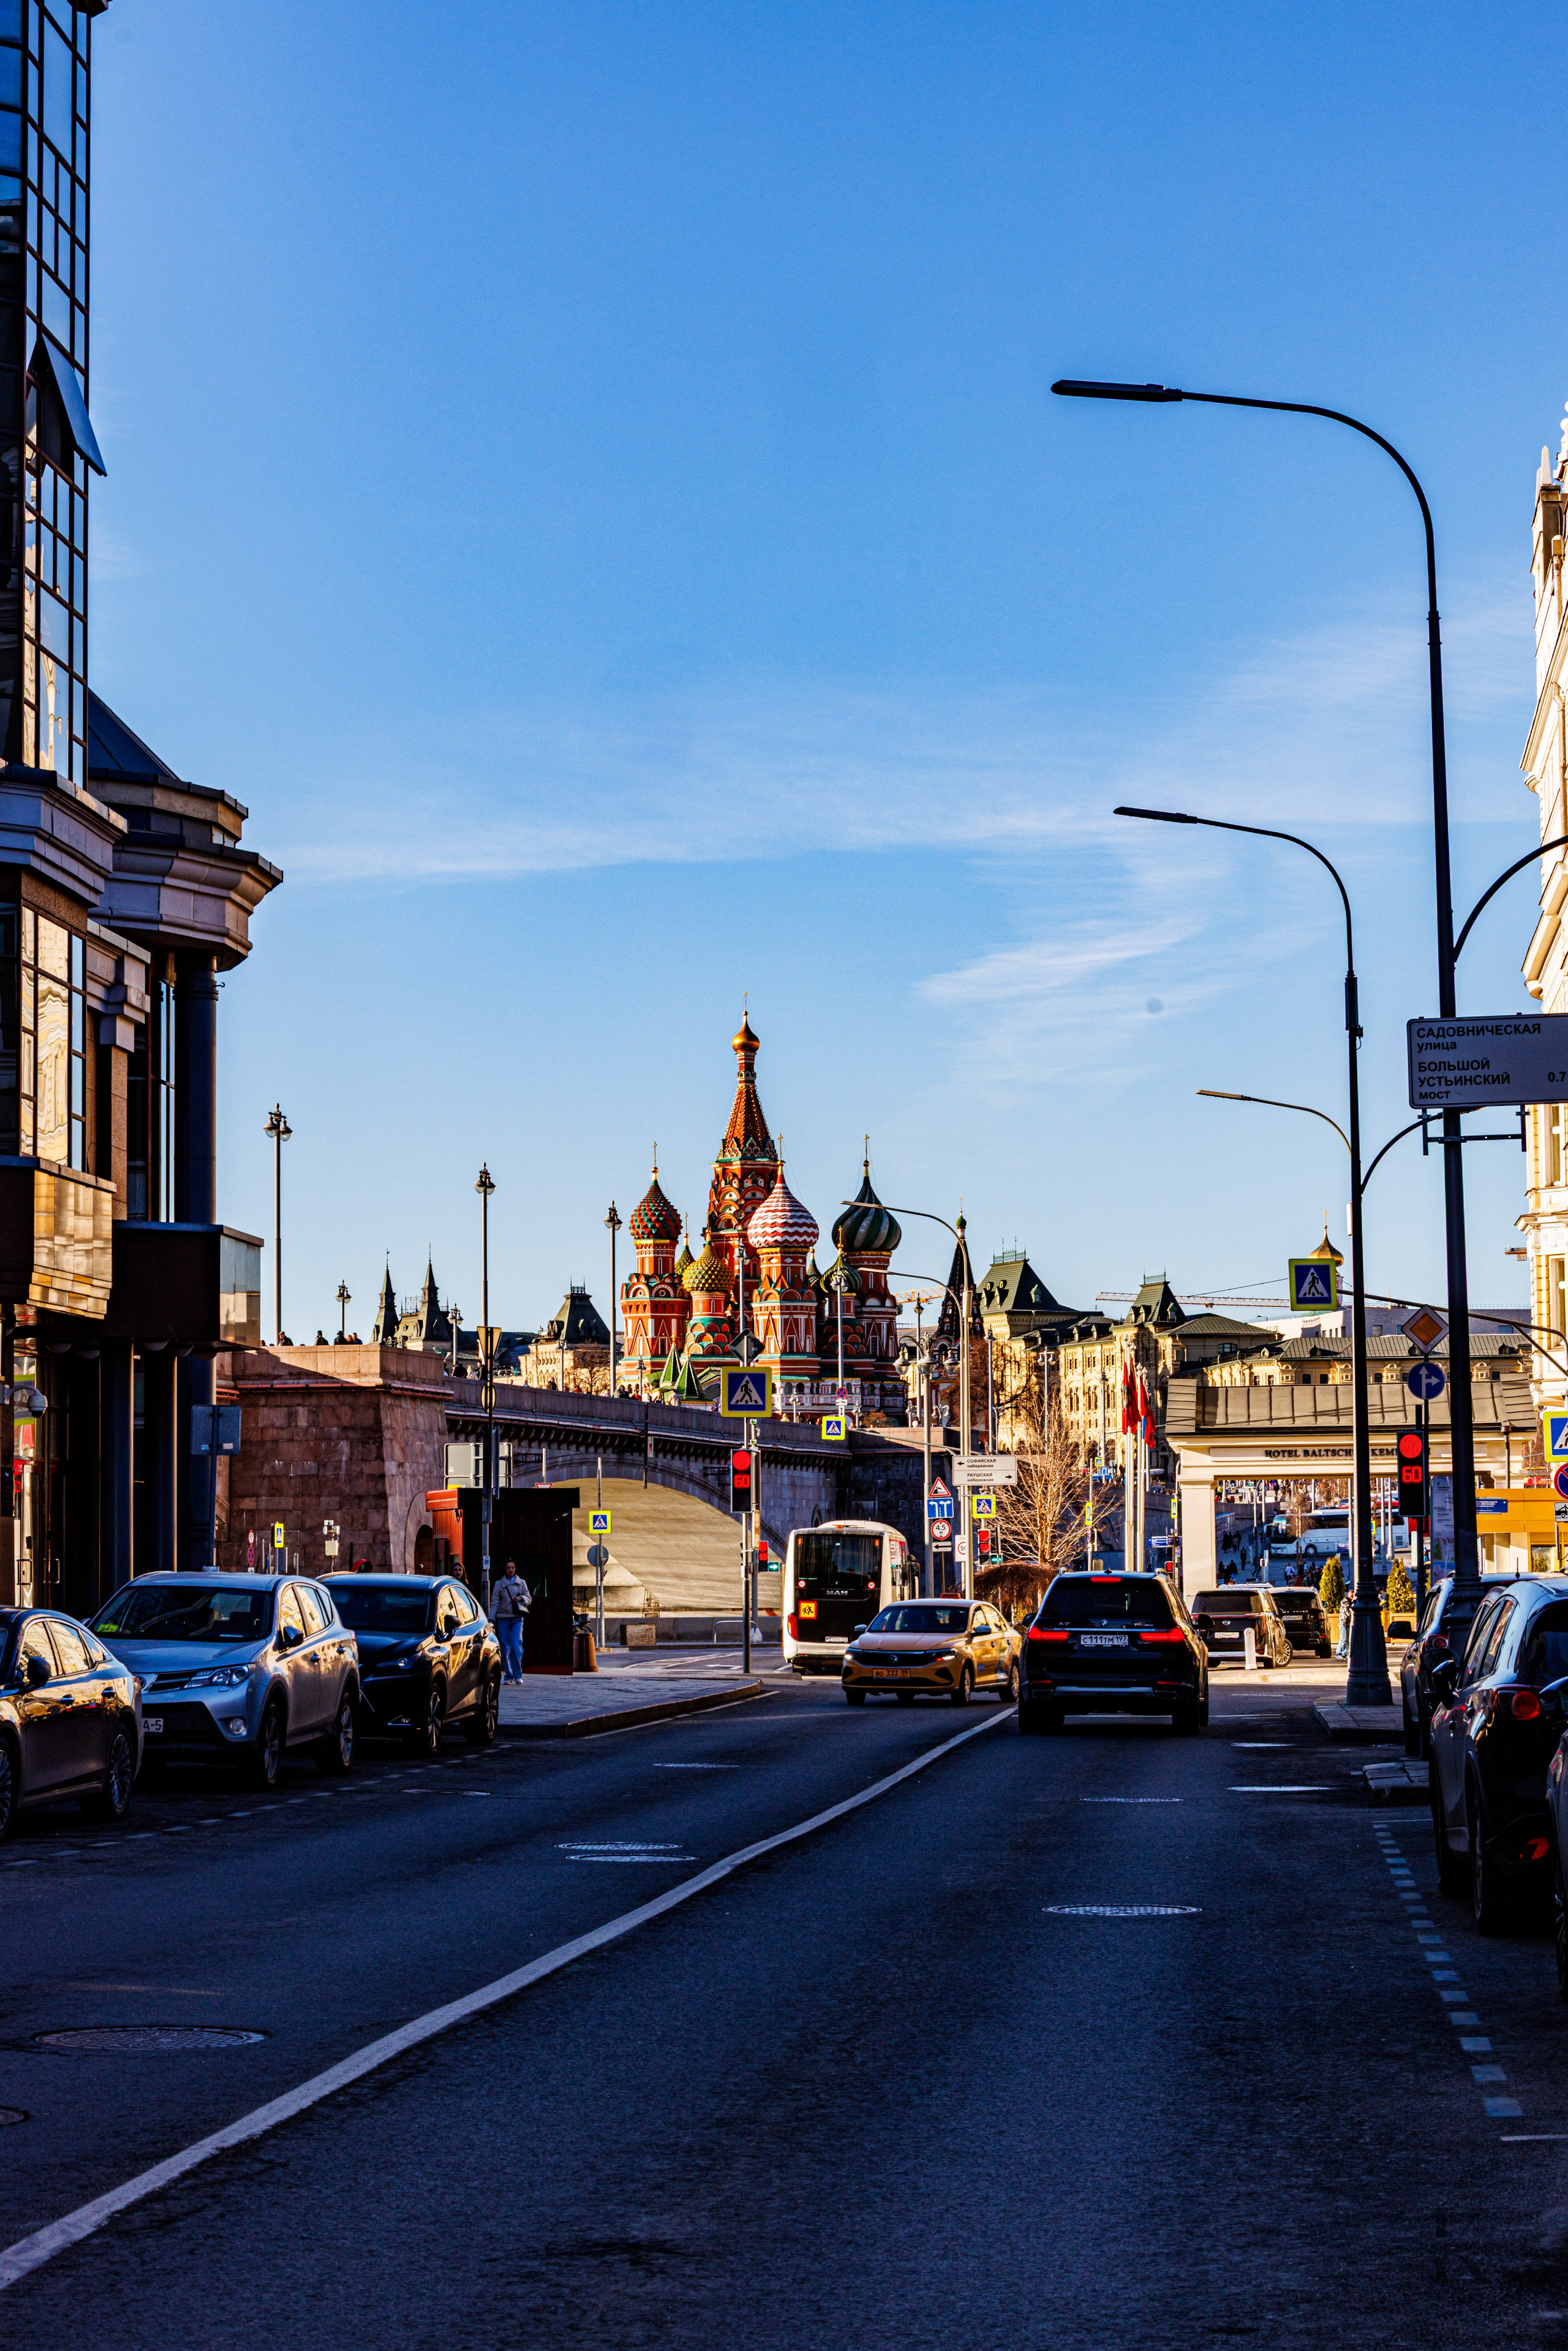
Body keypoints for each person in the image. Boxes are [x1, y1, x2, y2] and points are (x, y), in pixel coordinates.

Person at [491, 1557, 531, 1683]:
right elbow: (495, 1602)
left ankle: (518, 1675)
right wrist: (491, 1618)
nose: (510, 1570)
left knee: (516, 1644)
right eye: (508, 1568)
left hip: (517, 1618)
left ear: (515, 1569)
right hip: (503, 1618)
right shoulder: (499, 1584)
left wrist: (522, 1599)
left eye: (512, 1568)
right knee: (505, 1646)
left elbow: (529, 1598)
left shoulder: (521, 1583)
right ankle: (508, 1675)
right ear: (505, 1569)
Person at [1336, 1587, 1353, 1660]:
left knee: (1347, 1639)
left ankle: (1345, 1653)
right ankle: (1339, 1653)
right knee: (1344, 1639)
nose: (1353, 1597)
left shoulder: (1349, 1602)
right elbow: (1349, 1613)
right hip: (1344, 1623)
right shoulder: (1346, 1602)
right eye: (1352, 1596)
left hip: (1347, 1623)